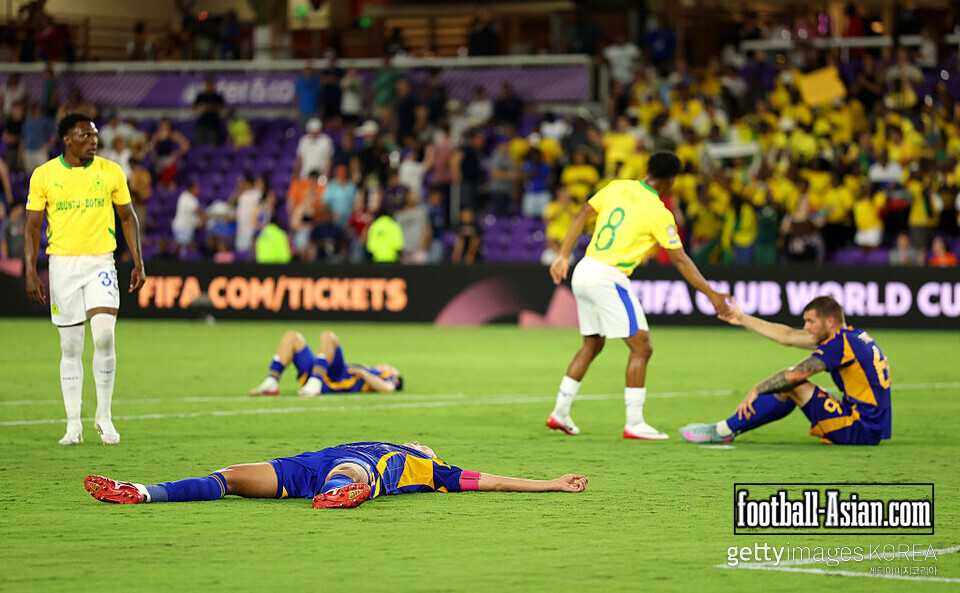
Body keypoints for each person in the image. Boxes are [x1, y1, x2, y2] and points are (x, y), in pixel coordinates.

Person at [546, 151, 730, 440]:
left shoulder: (618, 186)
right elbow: (680, 260)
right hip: (609, 276)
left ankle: (560, 412)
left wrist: (562, 256)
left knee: (592, 344)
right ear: (671, 181)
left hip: (584, 268)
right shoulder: (659, 212)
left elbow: (582, 214)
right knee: (642, 346)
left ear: (647, 169)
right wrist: (712, 294)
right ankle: (634, 422)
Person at [23, 113, 146, 446]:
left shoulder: (111, 171)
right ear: (68, 139)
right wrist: (31, 271)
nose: (93, 139)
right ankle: (73, 425)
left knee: (104, 338)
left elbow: (128, 217)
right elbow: (32, 226)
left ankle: (104, 417)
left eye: (95, 134)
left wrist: (137, 260)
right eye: (86, 135)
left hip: (101, 263)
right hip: (62, 265)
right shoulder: (45, 175)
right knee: (71, 346)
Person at [84, 441, 588, 508]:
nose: (421, 443)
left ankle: (344, 493)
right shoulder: (378, 437)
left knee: (354, 469)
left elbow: (495, 480)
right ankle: (142, 491)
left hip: (358, 469)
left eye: (425, 444)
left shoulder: (431, 469)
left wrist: (552, 482)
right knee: (229, 476)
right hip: (303, 465)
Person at [680, 296, 892, 446]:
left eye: (810, 321)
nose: (806, 327)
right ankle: (728, 429)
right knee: (789, 383)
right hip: (871, 426)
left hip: (859, 428)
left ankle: (723, 430)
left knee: (792, 384)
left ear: (829, 321)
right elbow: (788, 336)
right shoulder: (852, 337)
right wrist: (743, 318)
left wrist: (757, 389)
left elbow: (794, 375)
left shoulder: (838, 345)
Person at [249, 330, 403, 397]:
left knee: (329, 336)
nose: (387, 365)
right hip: (322, 370)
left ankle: (315, 382)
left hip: (337, 376)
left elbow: (388, 389)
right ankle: (271, 382)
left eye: (391, 367)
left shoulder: (388, 376)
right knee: (292, 336)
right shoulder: (374, 370)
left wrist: (363, 373)